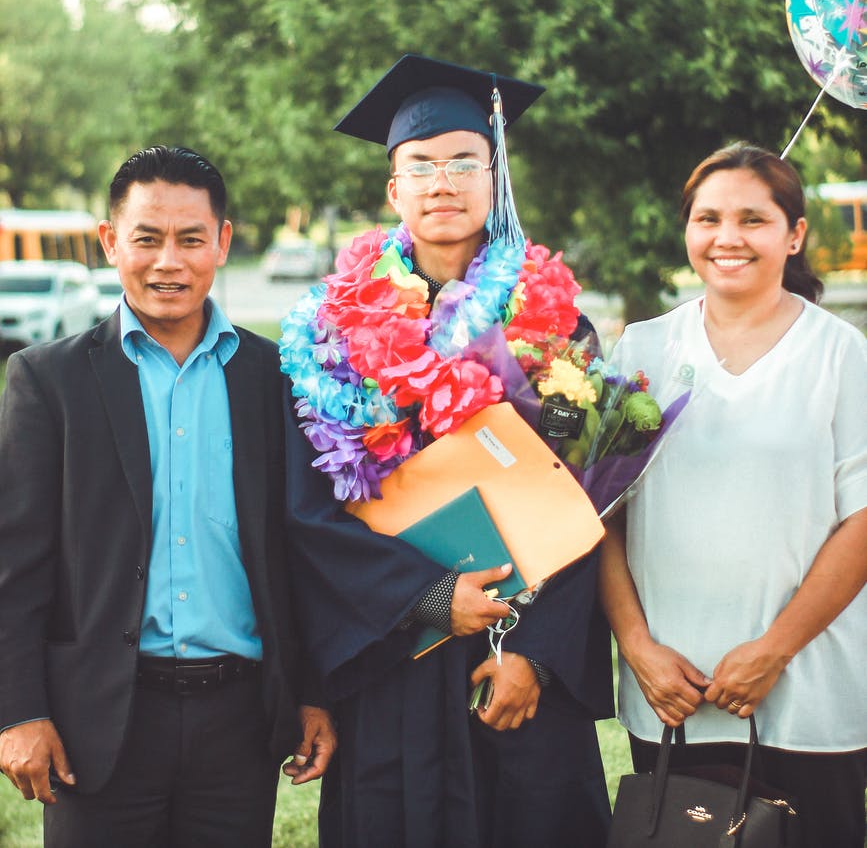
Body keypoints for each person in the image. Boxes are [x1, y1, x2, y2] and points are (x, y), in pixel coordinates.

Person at [281, 55, 613, 848]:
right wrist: (428, 598)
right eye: (420, 166)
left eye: (465, 161)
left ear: (494, 177)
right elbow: (306, 512)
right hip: (393, 661)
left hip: (519, 664)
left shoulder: (555, 325)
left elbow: (594, 494)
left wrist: (535, 654)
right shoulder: (330, 336)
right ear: (392, 189)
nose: (443, 182)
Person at [0, 145, 336, 848]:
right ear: (109, 242)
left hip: (240, 722)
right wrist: (17, 711)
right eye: (146, 239)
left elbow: (299, 552)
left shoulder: (276, 378)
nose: (167, 262)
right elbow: (15, 566)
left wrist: (311, 691)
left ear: (223, 242)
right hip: (97, 719)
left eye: (190, 239)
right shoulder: (47, 382)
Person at [600, 142, 867, 848]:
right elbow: (599, 516)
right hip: (671, 694)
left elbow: (862, 522)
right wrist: (636, 647)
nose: (727, 238)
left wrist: (774, 650)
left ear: (794, 234)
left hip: (806, 691)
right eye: (708, 218)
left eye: (753, 219)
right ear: (686, 230)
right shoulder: (639, 352)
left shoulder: (842, 355)